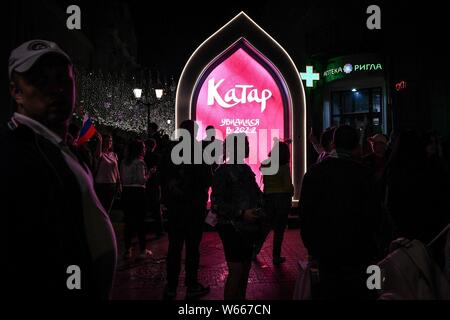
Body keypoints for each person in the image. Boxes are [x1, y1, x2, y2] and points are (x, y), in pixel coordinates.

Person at [3, 40, 117, 298]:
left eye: (62, 80)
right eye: (41, 81)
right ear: (16, 92)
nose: (55, 89)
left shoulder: (63, 149)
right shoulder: (16, 152)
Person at [299, 125, 380, 299]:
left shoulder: (315, 173)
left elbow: (306, 213)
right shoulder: (365, 174)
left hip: (327, 250)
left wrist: (312, 246)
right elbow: (374, 213)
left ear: (333, 144)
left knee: (331, 290)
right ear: (357, 146)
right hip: (359, 249)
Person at [160, 120, 212, 299]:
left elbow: (162, 176)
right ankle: (191, 285)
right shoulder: (197, 150)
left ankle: (171, 286)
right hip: (193, 208)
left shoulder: (169, 150)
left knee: (174, 247)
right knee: (192, 248)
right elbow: (207, 178)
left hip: (175, 208)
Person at [211, 133, 264, 300]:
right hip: (231, 227)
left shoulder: (246, 169)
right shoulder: (223, 172)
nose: (248, 147)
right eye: (245, 144)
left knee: (244, 268)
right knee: (237, 270)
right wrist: (241, 213)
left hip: (247, 228)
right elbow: (216, 204)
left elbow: (255, 194)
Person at [254, 140, 293, 264]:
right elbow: (287, 187)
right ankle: (276, 257)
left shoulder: (266, 164)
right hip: (282, 199)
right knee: (279, 230)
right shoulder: (284, 168)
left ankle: (254, 251)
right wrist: (292, 190)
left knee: (265, 228)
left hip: (268, 198)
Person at [120, 139, 151, 259]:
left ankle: (127, 250)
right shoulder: (140, 163)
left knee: (128, 222)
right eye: (143, 147)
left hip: (126, 192)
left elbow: (124, 179)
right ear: (139, 149)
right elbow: (141, 180)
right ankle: (142, 250)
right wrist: (149, 174)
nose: (145, 149)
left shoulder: (124, 162)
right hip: (138, 192)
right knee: (140, 222)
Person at [94, 133, 121, 215]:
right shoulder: (101, 154)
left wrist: (119, 183)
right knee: (100, 208)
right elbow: (97, 155)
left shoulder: (114, 155)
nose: (109, 142)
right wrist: (100, 141)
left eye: (110, 141)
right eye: (107, 141)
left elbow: (117, 170)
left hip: (112, 184)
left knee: (108, 208)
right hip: (101, 184)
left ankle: (105, 225)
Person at [144, 138, 164, 237]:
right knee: (156, 208)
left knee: (145, 207)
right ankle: (159, 230)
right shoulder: (158, 157)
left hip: (145, 184)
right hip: (155, 184)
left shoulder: (143, 157)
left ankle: (143, 230)